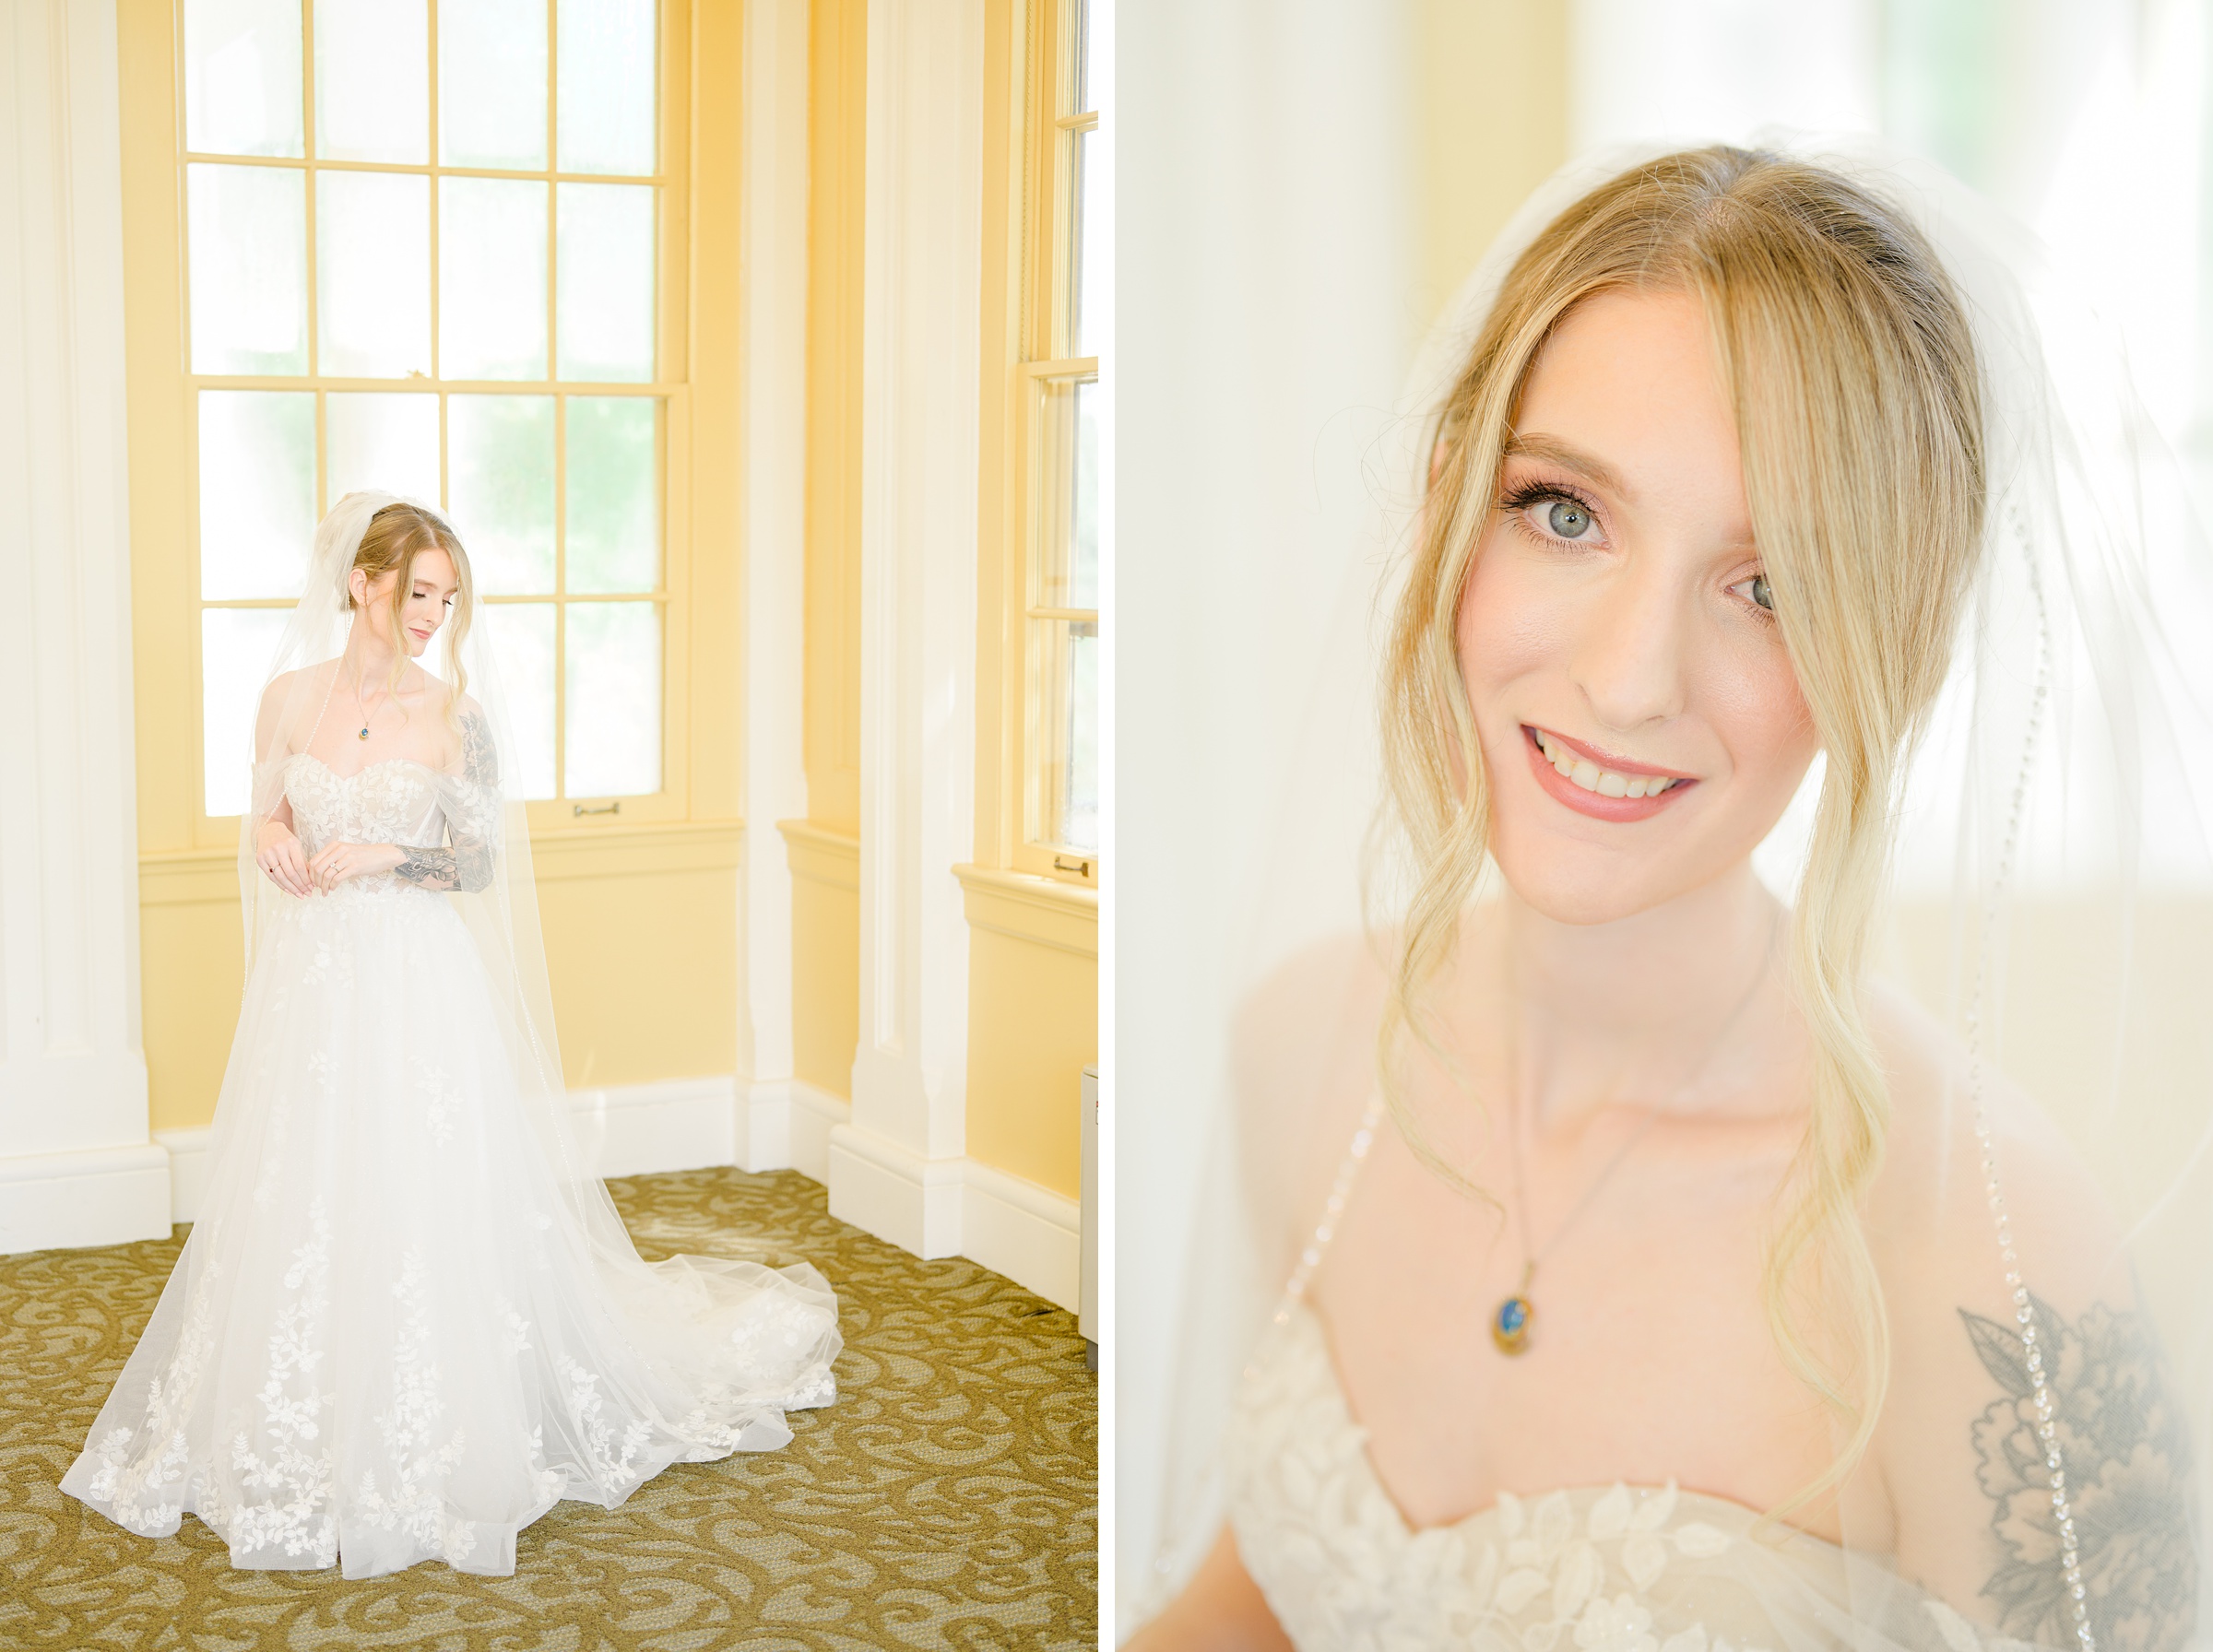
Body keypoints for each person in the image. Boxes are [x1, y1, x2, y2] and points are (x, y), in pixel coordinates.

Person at [1128, 145, 2210, 1650]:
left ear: (1888, 659)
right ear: (1452, 503)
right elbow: (1261, 1594)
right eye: (1565, 511)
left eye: (1769, 587)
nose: (1629, 681)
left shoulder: (1988, 1264)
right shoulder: (1298, 1044)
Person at [61, 492, 842, 1579]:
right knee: (309, 1186)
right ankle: (308, 1412)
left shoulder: (453, 715)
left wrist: (387, 857)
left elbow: (477, 864)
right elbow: (267, 812)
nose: (435, 614)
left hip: (417, 979)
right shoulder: (286, 699)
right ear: (361, 583)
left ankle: (442, 1408)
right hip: (314, 987)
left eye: (448, 597)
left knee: (422, 1181)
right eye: (418, 592)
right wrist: (273, 836)